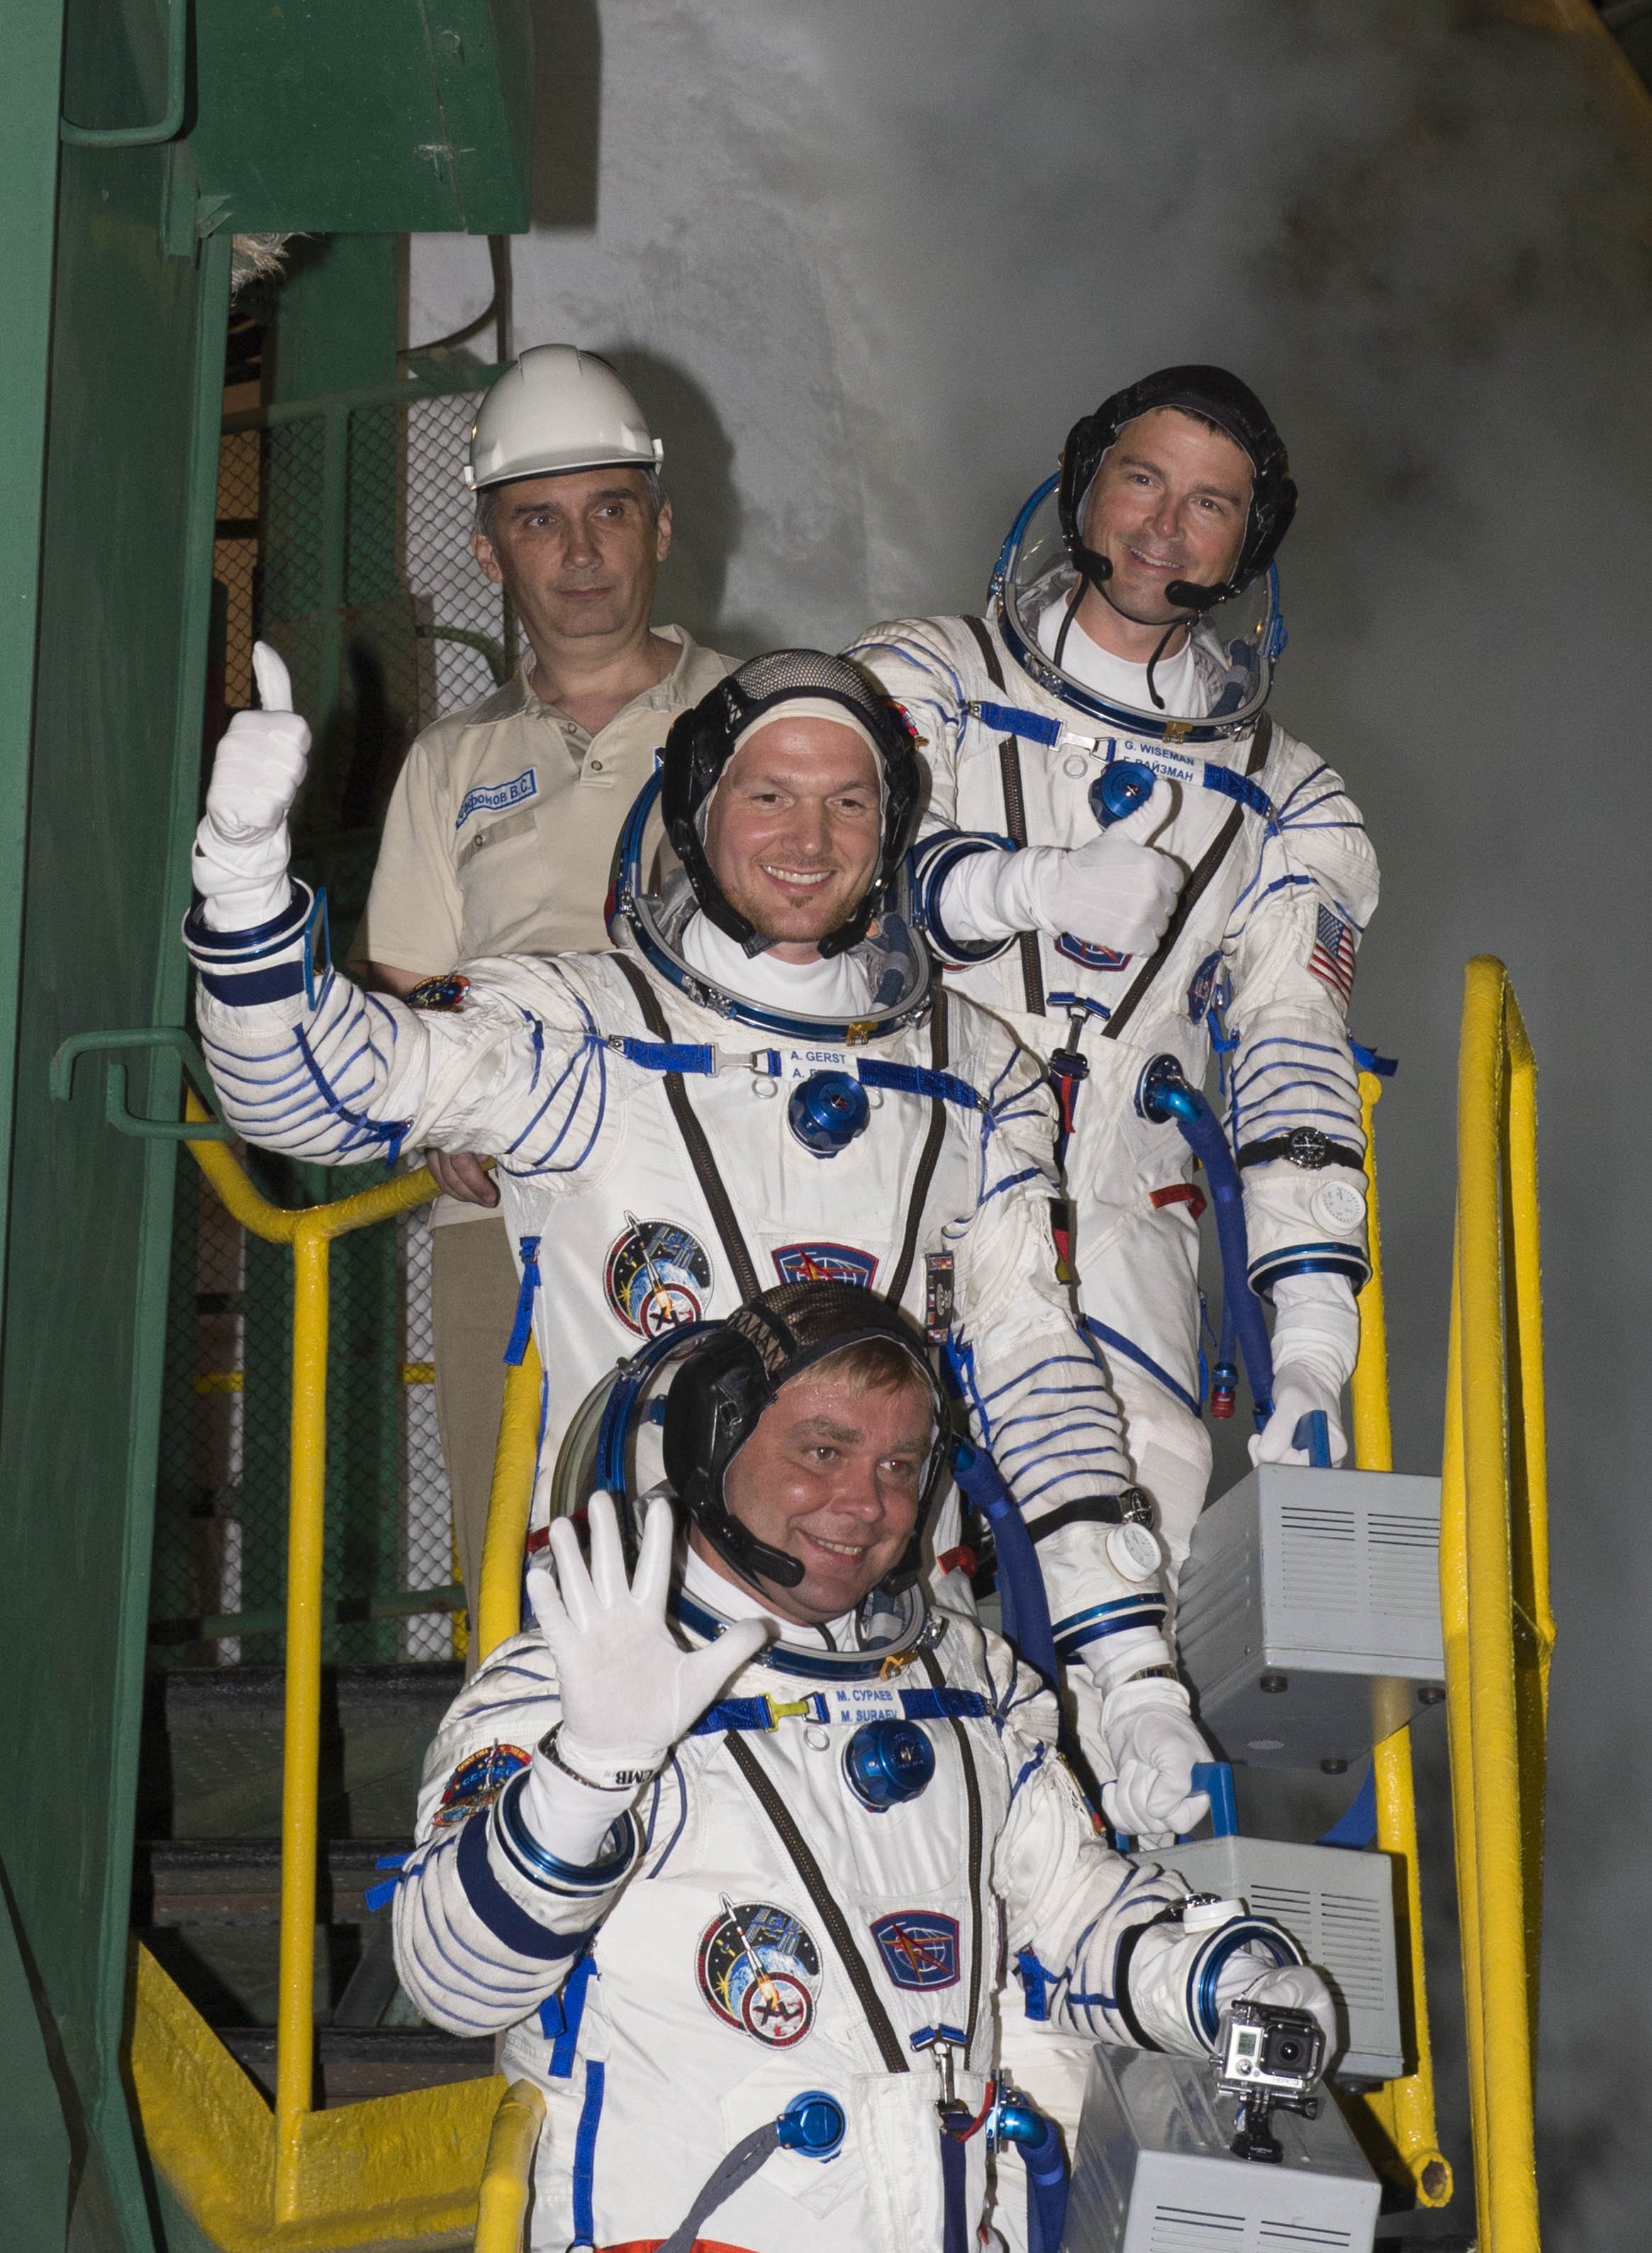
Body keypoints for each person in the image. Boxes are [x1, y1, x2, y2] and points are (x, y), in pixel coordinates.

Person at [185, 644, 1215, 1840]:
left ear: (891, 830)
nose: (809, 838)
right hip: (629, 1680)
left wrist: (1130, 1677)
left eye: (849, 801)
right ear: (696, 809)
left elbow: (1039, 1381)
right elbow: (312, 1093)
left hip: (914, 1682)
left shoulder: (978, 1074)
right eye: (768, 794)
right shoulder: (586, 1033)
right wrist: (246, 881)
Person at [387, 1281, 1341, 2253]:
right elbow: (450, 1982)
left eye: (899, 1467)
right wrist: (592, 1771)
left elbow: (1081, 1911)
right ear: (713, 1443)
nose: (864, 1503)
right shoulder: (566, 1684)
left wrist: (1233, 1985)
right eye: (822, 1450)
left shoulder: (969, 1691)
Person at [850, 365, 1378, 1657]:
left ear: (1247, 545)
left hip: (1127, 1223)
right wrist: (1015, 885)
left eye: (1209, 504)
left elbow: (1291, 1066)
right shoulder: (923, 680)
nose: (1162, 525)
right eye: (1141, 479)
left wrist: (1310, 1345)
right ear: (1083, 487)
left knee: (1131, 1549)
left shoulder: (1289, 802)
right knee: (854, 1538)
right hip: (903, 1181)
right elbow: (822, 877)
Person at [353, 345, 737, 1611]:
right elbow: (407, 999)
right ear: (488, 551)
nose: (578, 551)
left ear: (659, 526)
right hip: (505, 1224)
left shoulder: (766, 718)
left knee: (742, 1555)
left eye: (607, 510)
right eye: (538, 520)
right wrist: (442, 1123)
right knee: (521, 1573)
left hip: (739, 1190)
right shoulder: (450, 763)